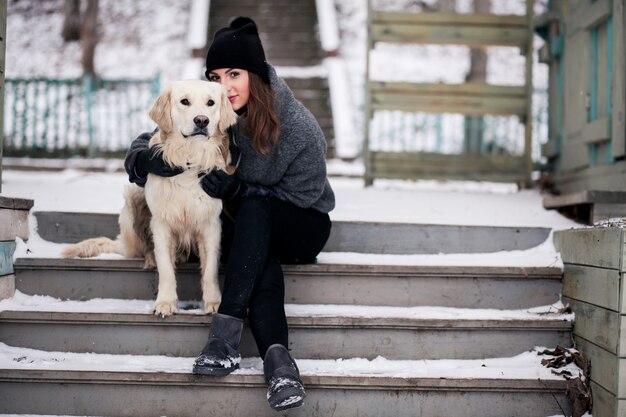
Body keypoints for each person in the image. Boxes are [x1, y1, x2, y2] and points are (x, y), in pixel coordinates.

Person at [123, 16, 335, 412]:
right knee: (259, 258)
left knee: (254, 211)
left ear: (255, 74)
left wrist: (242, 189)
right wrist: (140, 156)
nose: (223, 86)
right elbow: (161, 129)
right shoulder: (214, 110)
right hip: (251, 229)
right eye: (215, 75)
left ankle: (224, 336)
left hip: (302, 223)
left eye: (234, 74)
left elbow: (306, 196)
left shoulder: (298, 127)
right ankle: (280, 366)